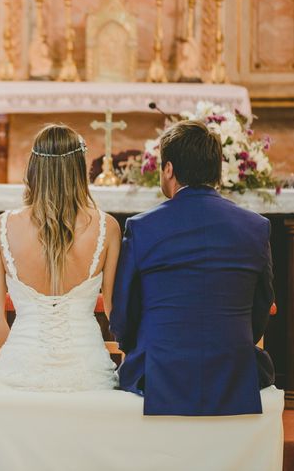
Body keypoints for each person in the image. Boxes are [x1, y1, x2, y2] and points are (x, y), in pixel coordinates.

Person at [0, 124, 121, 440]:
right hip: (87, 370)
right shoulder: (107, 227)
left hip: (20, 364)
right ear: (79, 170)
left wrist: (22, 354)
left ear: (33, 167)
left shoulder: (3, 226)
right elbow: (114, 313)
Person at [109, 120, 275, 416]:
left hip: (158, 374)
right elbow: (261, 307)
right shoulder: (255, 228)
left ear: (169, 169)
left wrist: (135, 346)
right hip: (233, 370)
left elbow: (124, 313)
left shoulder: (142, 228)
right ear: (217, 172)